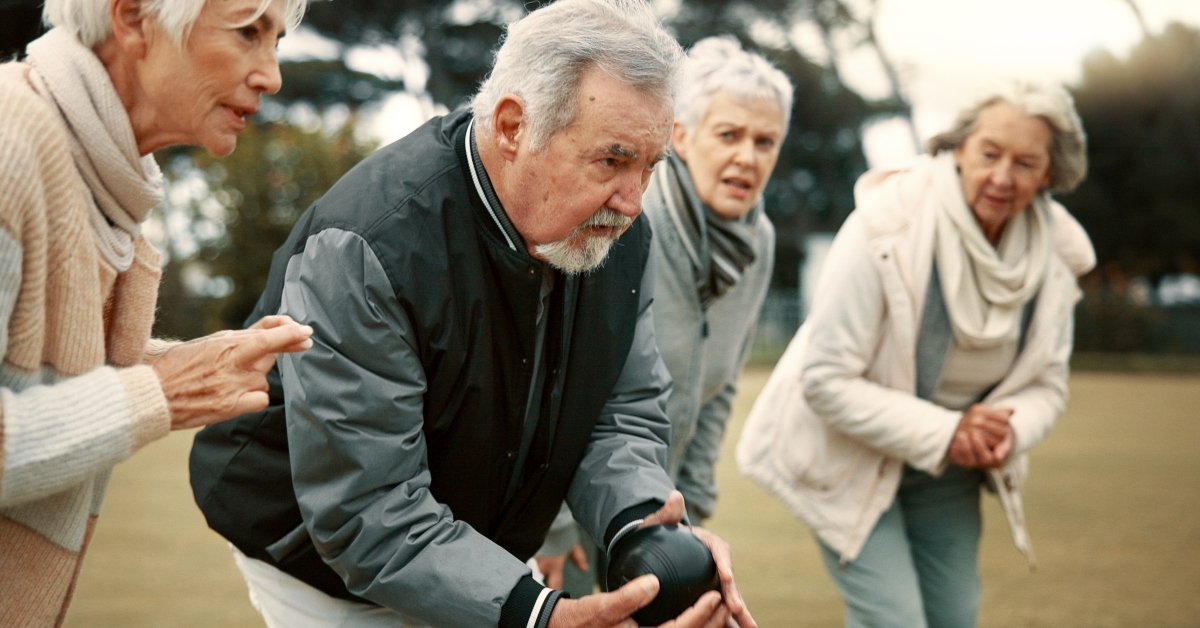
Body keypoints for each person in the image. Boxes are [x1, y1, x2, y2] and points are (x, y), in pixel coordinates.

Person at [188, 2, 756, 628]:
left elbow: (617, 414)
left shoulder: (618, 232)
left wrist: (646, 532)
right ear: (513, 126)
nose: (632, 203)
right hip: (321, 566)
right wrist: (540, 615)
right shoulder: (370, 246)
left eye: (650, 168)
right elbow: (369, 513)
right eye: (611, 161)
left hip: (476, 541)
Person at [737, 80, 1096, 628]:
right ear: (957, 148)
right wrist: (950, 429)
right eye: (989, 153)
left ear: (1050, 172)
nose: (1002, 177)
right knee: (894, 620)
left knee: (955, 618)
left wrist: (1004, 432)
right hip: (844, 453)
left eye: (1025, 162)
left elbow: (1046, 383)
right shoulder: (885, 223)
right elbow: (825, 378)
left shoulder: (1057, 252)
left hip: (948, 470)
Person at [0, 0, 313, 624]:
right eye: (249, 32)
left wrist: (193, 361)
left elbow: (38, 360)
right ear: (134, 18)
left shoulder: (109, 175)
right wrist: (160, 392)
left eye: (276, 39)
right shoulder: (9, 142)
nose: (271, 75)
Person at [533, 35, 792, 592]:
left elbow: (718, 385)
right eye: (729, 135)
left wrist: (692, 502)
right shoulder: (624, 219)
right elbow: (554, 382)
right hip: (565, 509)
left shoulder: (758, 241)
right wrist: (551, 531)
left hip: (656, 503)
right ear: (681, 135)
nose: (747, 156)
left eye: (765, 141)